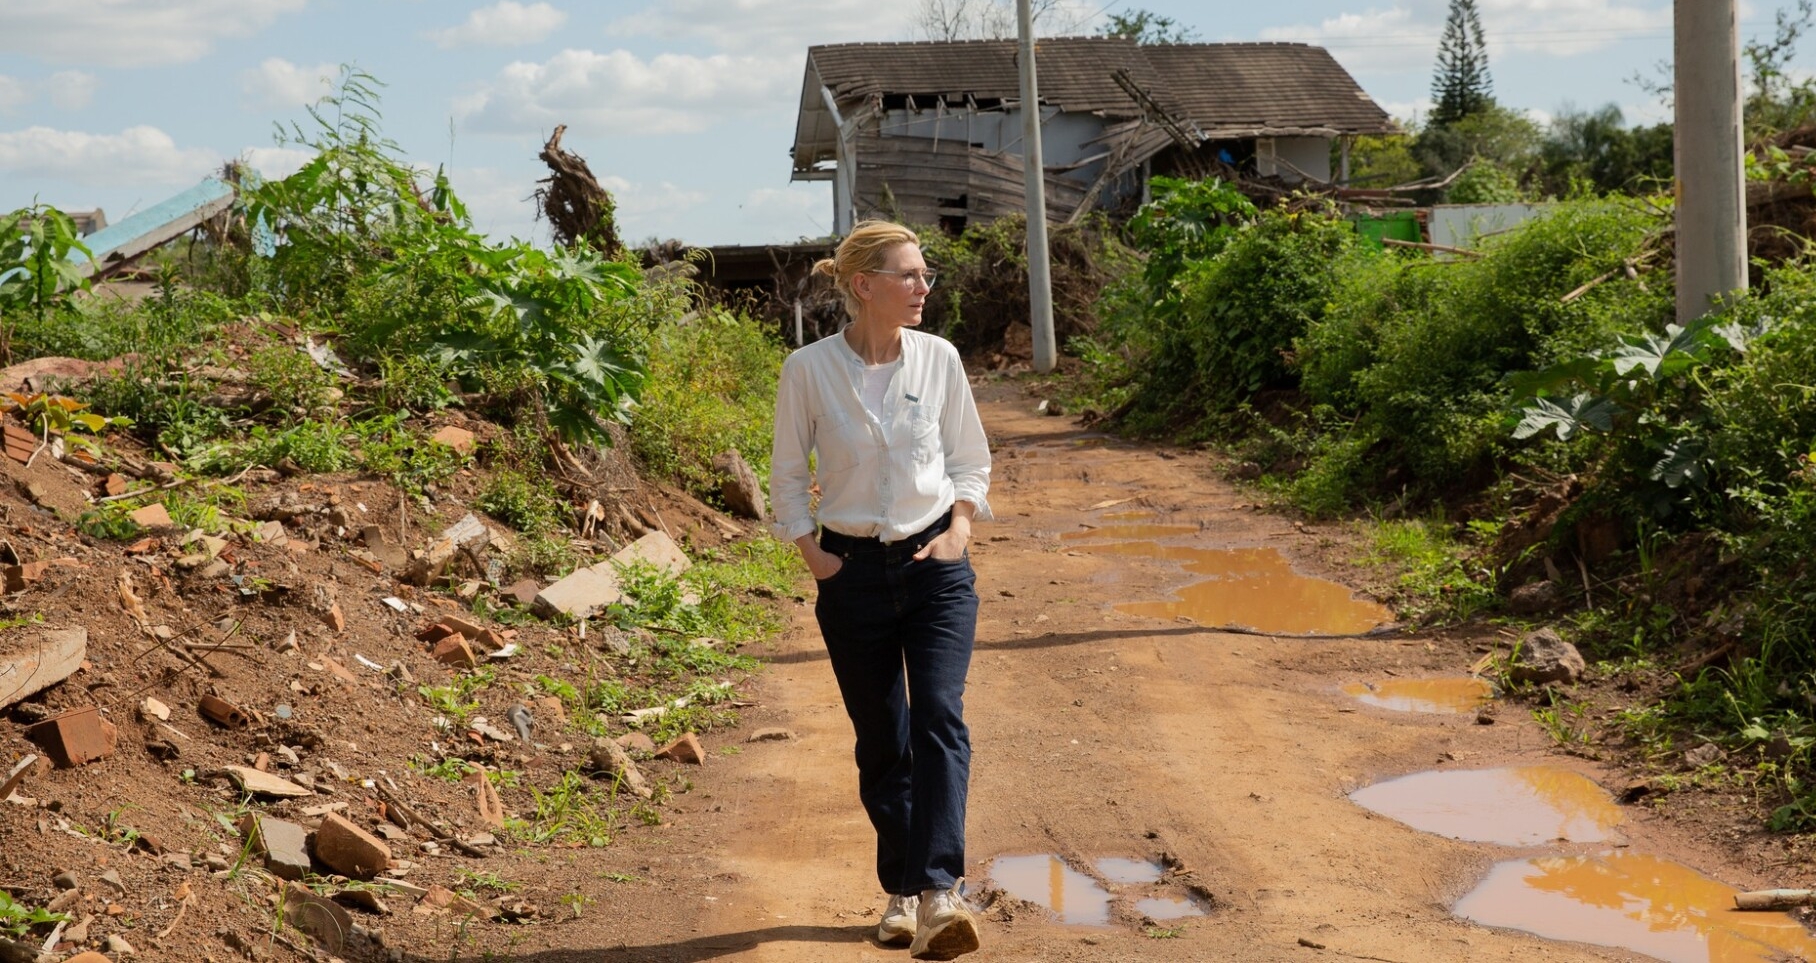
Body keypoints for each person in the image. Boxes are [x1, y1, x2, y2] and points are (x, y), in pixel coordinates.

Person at [770, 220, 991, 960]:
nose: (924, 287)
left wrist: (959, 529)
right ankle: (901, 890)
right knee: (882, 742)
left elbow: (970, 458)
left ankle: (937, 891)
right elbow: (788, 475)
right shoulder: (808, 369)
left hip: (936, 566)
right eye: (909, 275)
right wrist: (813, 554)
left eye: (924, 274)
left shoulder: (939, 360)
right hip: (852, 573)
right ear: (864, 286)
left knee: (938, 715)